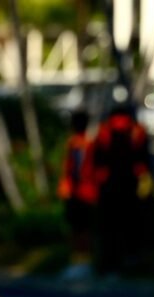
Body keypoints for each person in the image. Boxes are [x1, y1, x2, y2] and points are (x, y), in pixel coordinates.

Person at [91, 99, 150, 274]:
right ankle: (121, 260)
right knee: (123, 227)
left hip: (122, 188)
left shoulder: (129, 132)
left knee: (118, 227)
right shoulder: (131, 132)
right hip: (119, 188)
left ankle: (119, 261)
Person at [57, 109, 97, 280]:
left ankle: (83, 263)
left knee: (82, 229)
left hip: (84, 193)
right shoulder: (74, 144)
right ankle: (77, 262)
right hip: (76, 193)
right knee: (76, 229)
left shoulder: (87, 145)